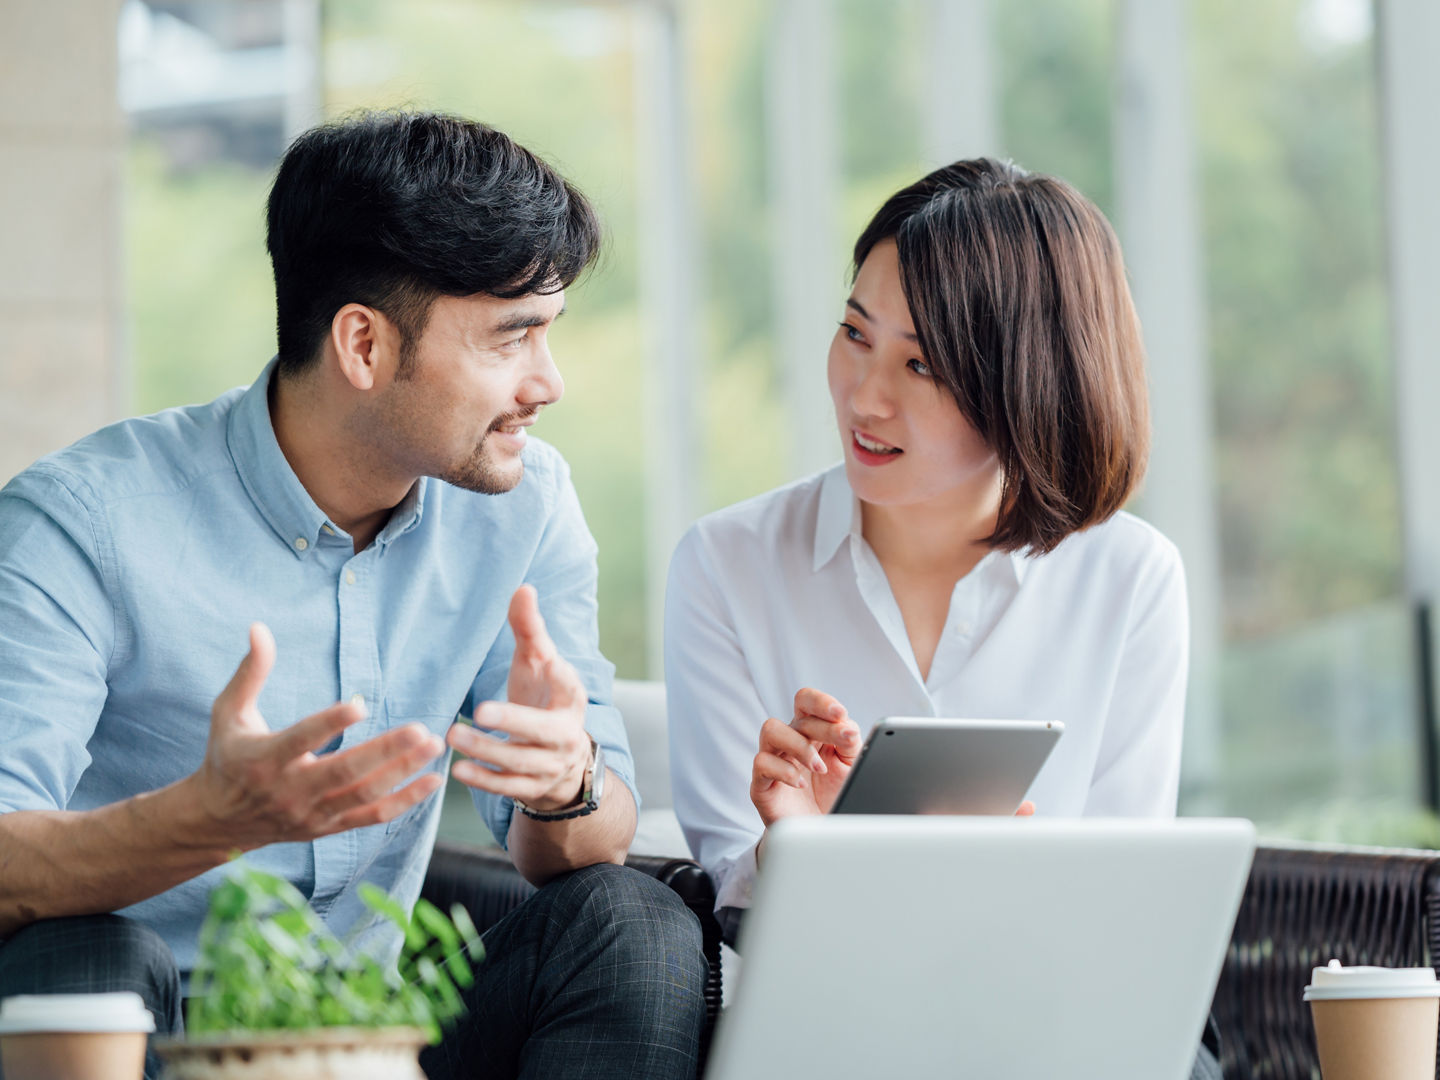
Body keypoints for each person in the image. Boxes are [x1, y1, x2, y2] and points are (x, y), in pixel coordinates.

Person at [0, 111, 706, 1080]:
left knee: (634, 922)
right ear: (363, 347)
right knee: (88, 957)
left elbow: (576, 853)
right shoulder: (80, 521)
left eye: (552, 334)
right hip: (143, 1036)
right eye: (514, 339)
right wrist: (213, 818)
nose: (550, 382)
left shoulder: (522, 504)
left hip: (371, 1034)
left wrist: (567, 780)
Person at [666, 159, 1221, 1077]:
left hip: (1055, 1018)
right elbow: (729, 893)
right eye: (854, 333)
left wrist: (999, 894)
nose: (865, 395)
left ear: (1032, 386)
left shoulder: (1130, 578)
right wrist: (801, 853)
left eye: (920, 363)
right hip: (827, 1023)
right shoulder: (727, 565)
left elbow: (1128, 897)